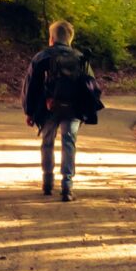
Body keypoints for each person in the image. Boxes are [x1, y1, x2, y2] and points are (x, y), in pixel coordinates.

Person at [22, 19, 101, 202]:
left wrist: (30, 111)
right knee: (68, 143)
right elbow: (91, 86)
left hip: (48, 107)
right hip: (73, 109)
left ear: (51, 38)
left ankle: (47, 182)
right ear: (70, 38)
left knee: (47, 142)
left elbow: (31, 85)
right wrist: (87, 111)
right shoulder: (80, 58)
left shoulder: (42, 57)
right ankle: (67, 185)